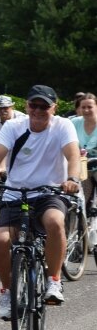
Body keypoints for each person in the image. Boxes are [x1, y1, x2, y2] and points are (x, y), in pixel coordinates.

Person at [0, 85, 80, 320]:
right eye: (34, 105)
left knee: (54, 222)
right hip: (16, 193)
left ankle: (54, 281)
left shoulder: (63, 125)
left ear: (55, 108)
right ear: (26, 106)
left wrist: (72, 178)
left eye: (45, 106)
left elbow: (72, 155)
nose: (38, 110)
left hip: (49, 192)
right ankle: (8, 291)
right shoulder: (13, 126)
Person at [69, 92, 97, 245]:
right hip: (83, 164)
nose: (86, 110)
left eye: (90, 107)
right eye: (83, 107)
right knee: (79, 197)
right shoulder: (74, 123)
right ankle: (76, 232)